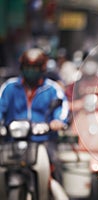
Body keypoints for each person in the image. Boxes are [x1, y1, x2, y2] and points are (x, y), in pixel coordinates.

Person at [0, 47, 70, 181]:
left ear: (42, 68)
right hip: (12, 141)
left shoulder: (52, 88)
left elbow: (62, 108)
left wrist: (57, 121)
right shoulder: (9, 87)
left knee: (55, 167)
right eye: (27, 67)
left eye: (35, 67)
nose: (31, 71)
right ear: (22, 67)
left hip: (44, 140)